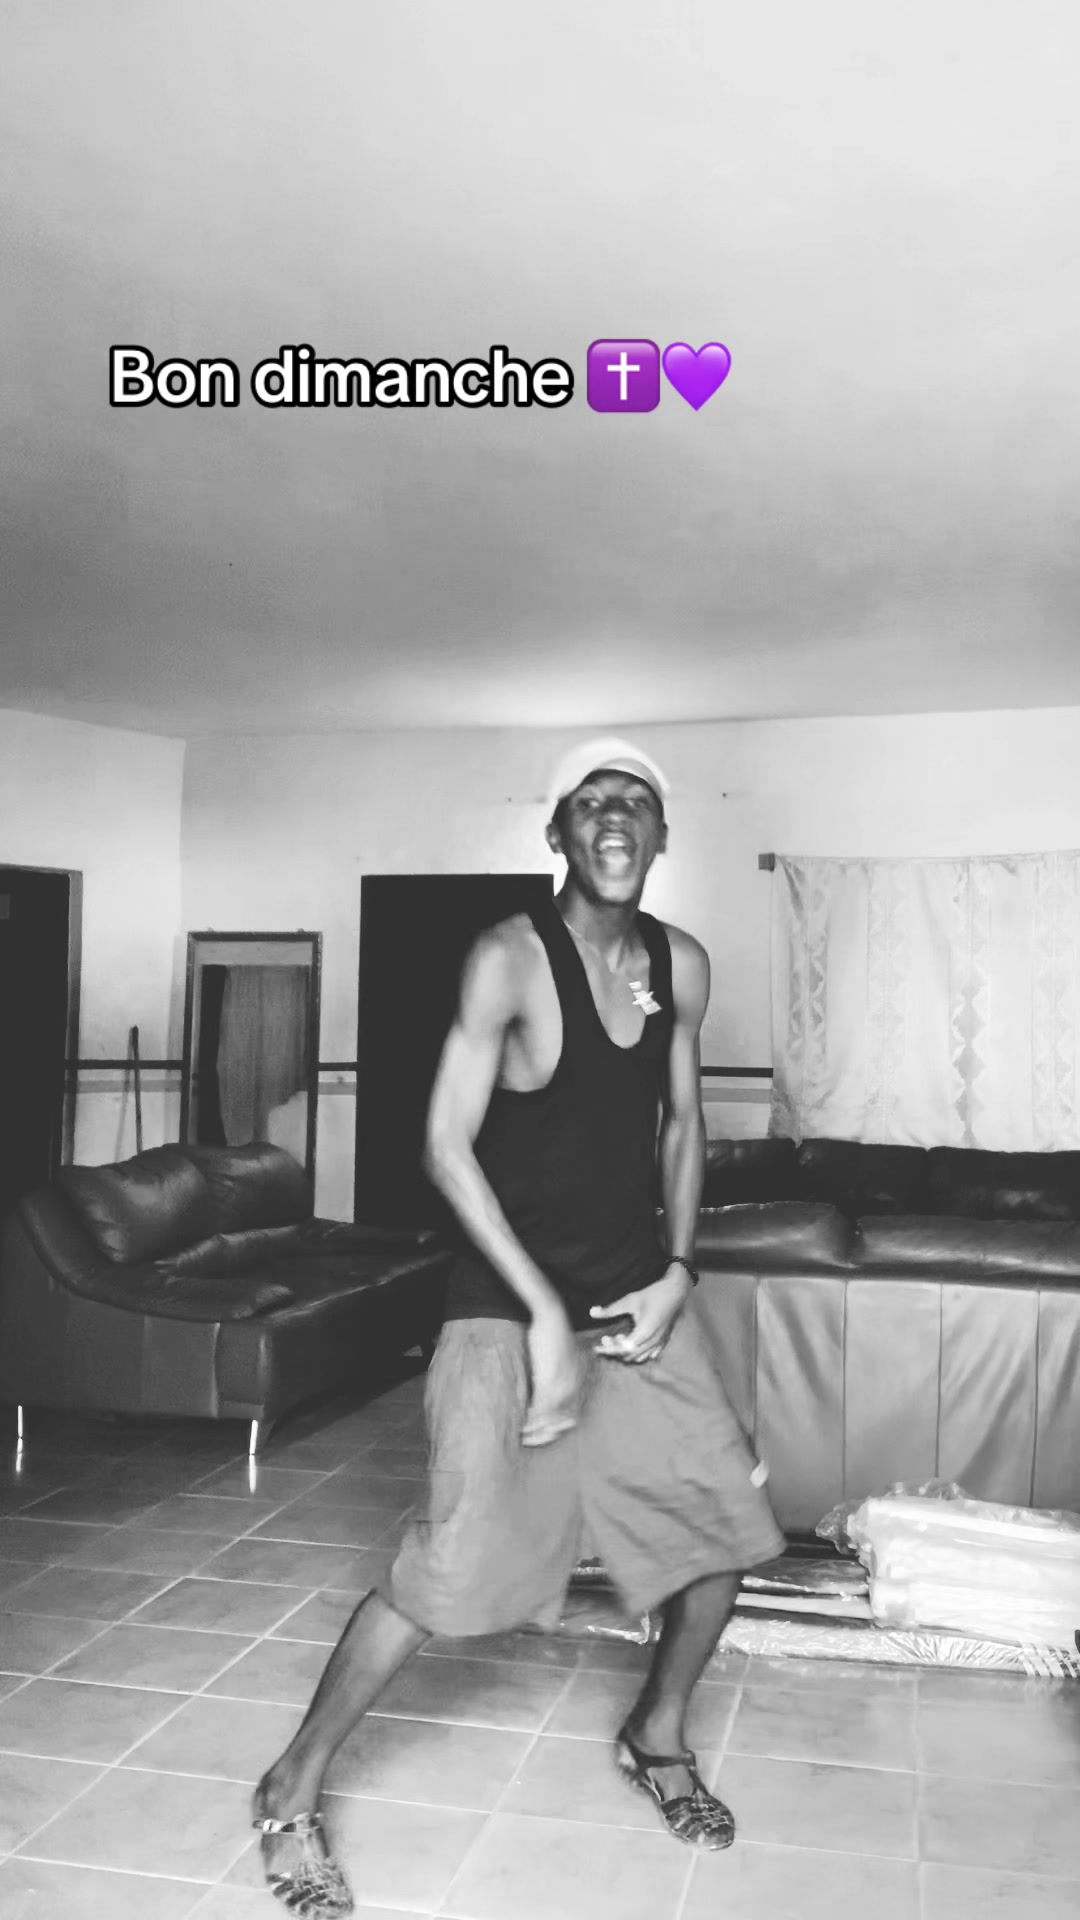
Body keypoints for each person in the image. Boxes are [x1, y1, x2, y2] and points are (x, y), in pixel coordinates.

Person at [252, 737, 783, 1917]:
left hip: (637, 1301)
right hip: (504, 1304)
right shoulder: (507, 956)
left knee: (726, 1540)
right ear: (557, 833)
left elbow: (683, 1125)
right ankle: (291, 1785)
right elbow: (443, 1145)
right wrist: (542, 1311)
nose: (615, 817)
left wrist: (680, 1271)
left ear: (662, 835)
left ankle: (657, 1735)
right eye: (591, 802)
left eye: (636, 802)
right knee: (450, 1571)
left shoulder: (679, 965)